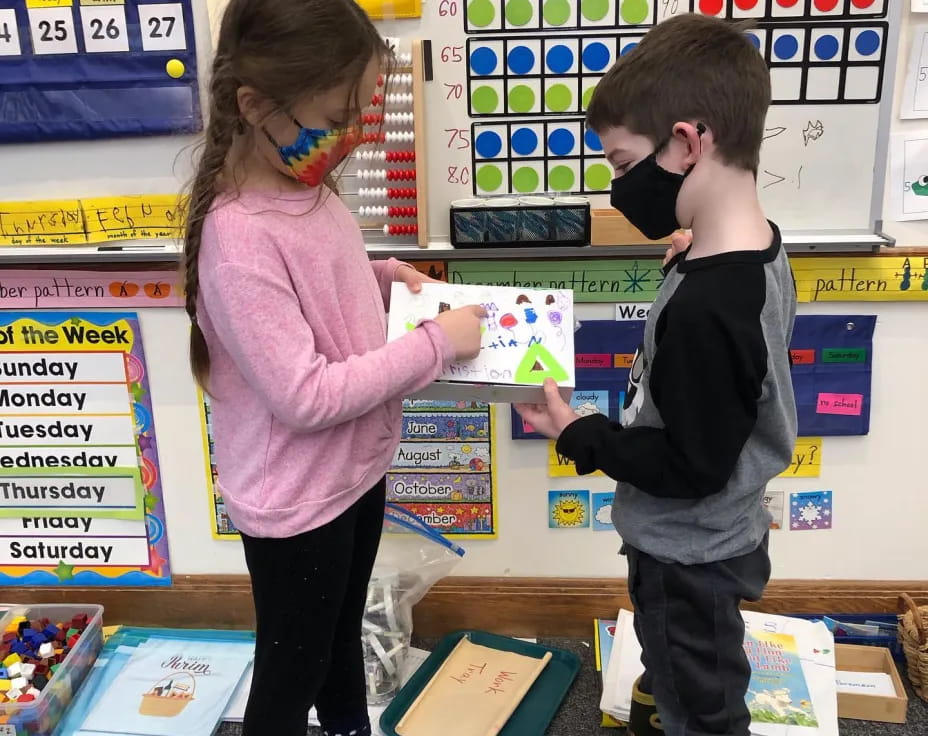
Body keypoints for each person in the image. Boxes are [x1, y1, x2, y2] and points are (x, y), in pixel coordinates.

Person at [181, 2, 485, 734]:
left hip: (351, 473)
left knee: (337, 638)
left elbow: (319, 288)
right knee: (292, 671)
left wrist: (383, 277)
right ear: (255, 106)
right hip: (296, 502)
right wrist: (436, 344)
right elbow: (305, 395)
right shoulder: (238, 238)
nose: (353, 137)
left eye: (359, 116)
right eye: (337, 118)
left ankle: (350, 725)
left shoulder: (308, 193)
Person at [516, 14, 797, 736]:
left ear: (686, 143)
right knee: (681, 670)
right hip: (717, 535)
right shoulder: (754, 248)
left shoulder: (710, 307)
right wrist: (691, 252)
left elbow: (690, 465)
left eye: (619, 163)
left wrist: (579, 433)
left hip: (688, 553)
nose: (617, 187)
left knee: (701, 707)